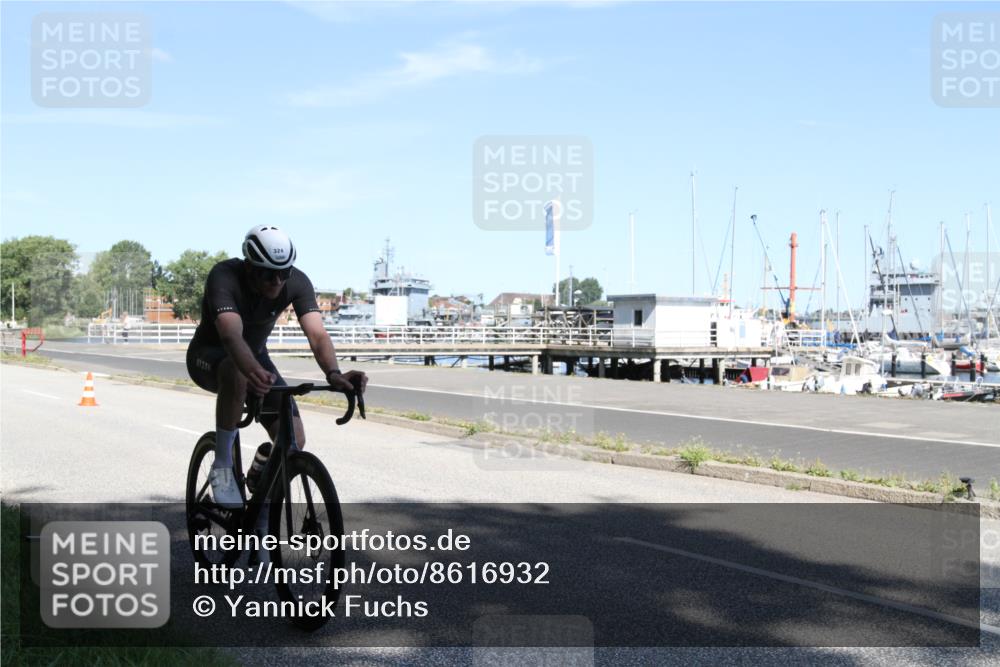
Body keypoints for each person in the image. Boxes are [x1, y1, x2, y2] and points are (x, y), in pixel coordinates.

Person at [186, 225, 367, 508]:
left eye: (284, 273)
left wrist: (334, 373)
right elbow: (231, 335)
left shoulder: (297, 281)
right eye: (268, 273)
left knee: (294, 440)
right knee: (236, 372)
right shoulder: (224, 276)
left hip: (256, 358)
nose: (277, 281)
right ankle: (222, 467)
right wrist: (250, 371)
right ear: (249, 266)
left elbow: (317, 334)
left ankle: (260, 479)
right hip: (210, 356)